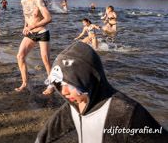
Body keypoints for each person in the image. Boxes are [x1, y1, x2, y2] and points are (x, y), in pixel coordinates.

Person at [36, 41, 167, 143]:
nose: (63, 92)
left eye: (69, 84)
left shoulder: (124, 113)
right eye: (58, 84)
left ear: (88, 80)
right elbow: (48, 132)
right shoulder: (73, 106)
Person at [16, 0, 53, 95]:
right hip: (30, 33)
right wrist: (25, 26)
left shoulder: (39, 0)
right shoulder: (23, 1)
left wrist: (32, 26)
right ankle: (25, 82)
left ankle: (51, 85)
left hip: (42, 32)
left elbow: (48, 18)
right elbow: (26, 16)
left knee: (45, 59)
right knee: (20, 56)